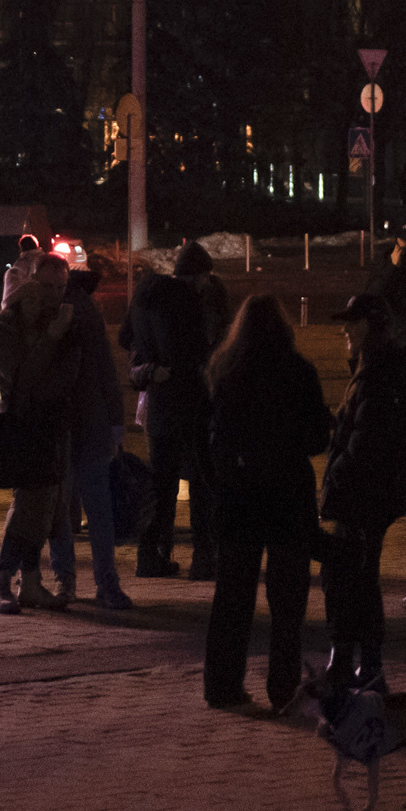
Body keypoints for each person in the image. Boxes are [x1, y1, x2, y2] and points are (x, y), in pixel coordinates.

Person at [201, 294, 328, 712]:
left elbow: (214, 438)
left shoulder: (225, 371)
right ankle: (283, 688)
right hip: (288, 493)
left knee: (232, 596)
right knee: (288, 600)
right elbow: (316, 439)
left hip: (239, 495)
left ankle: (222, 686)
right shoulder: (299, 372)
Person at [320, 291, 406, 674]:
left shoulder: (381, 370)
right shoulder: (375, 365)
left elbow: (368, 439)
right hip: (374, 489)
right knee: (354, 574)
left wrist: (337, 477)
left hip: (366, 491)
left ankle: (355, 660)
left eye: (353, 321)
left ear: (374, 324)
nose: (345, 329)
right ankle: (356, 659)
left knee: (351, 576)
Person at [0, 255, 80, 614]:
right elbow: (24, 381)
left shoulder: (36, 330)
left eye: (43, 298)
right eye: (31, 299)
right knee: (26, 510)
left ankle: (31, 582)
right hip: (19, 429)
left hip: (46, 426)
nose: (40, 305)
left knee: (45, 511)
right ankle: (0, 582)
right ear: (15, 302)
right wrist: (51, 337)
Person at [44, 257, 133, 610]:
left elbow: (100, 365)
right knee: (89, 508)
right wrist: (115, 419)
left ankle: (69, 580)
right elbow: (105, 367)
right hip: (80, 422)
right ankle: (101, 582)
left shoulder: (60, 310)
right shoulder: (83, 308)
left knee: (72, 508)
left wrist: (113, 419)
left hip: (73, 423)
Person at [128, 245, 219, 581]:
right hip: (190, 403)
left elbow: (127, 338)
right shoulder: (187, 301)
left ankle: (149, 555)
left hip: (159, 406)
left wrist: (150, 366)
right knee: (200, 482)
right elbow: (194, 351)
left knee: (160, 484)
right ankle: (203, 558)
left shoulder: (143, 297)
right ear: (198, 275)